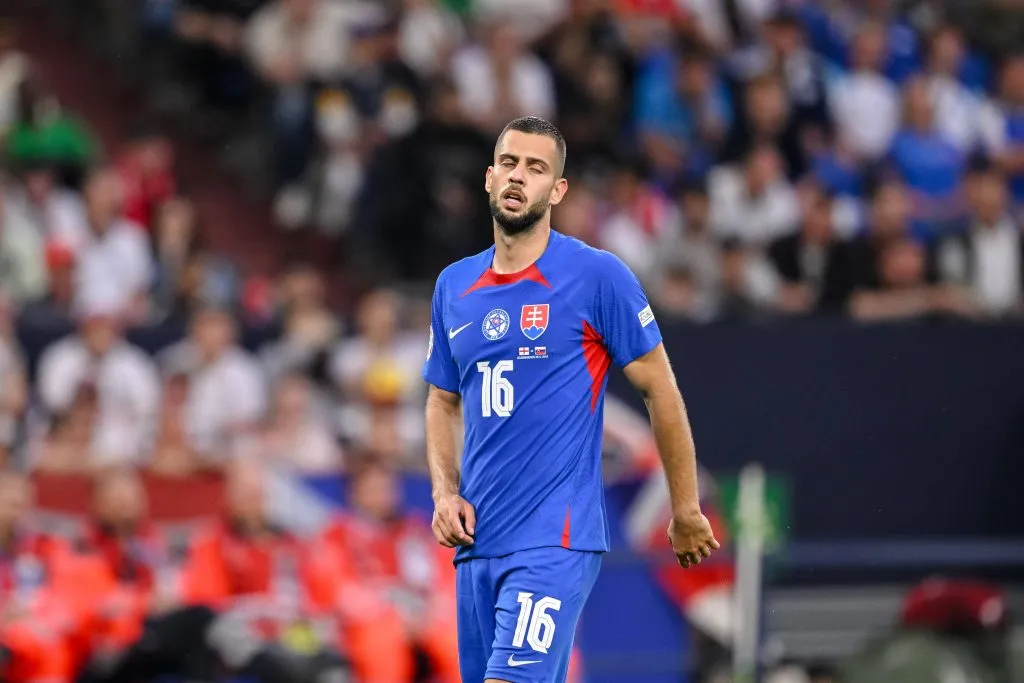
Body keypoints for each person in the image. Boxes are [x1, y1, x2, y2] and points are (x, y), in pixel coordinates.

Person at [422, 116, 719, 683]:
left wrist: (684, 509)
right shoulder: (453, 287)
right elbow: (442, 401)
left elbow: (661, 389)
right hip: (477, 543)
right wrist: (443, 492)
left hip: (554, 539)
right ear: (488, 178)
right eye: (509, 163)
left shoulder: (596, 276)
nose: (518, 177)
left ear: (557, 191)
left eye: (536, 168)